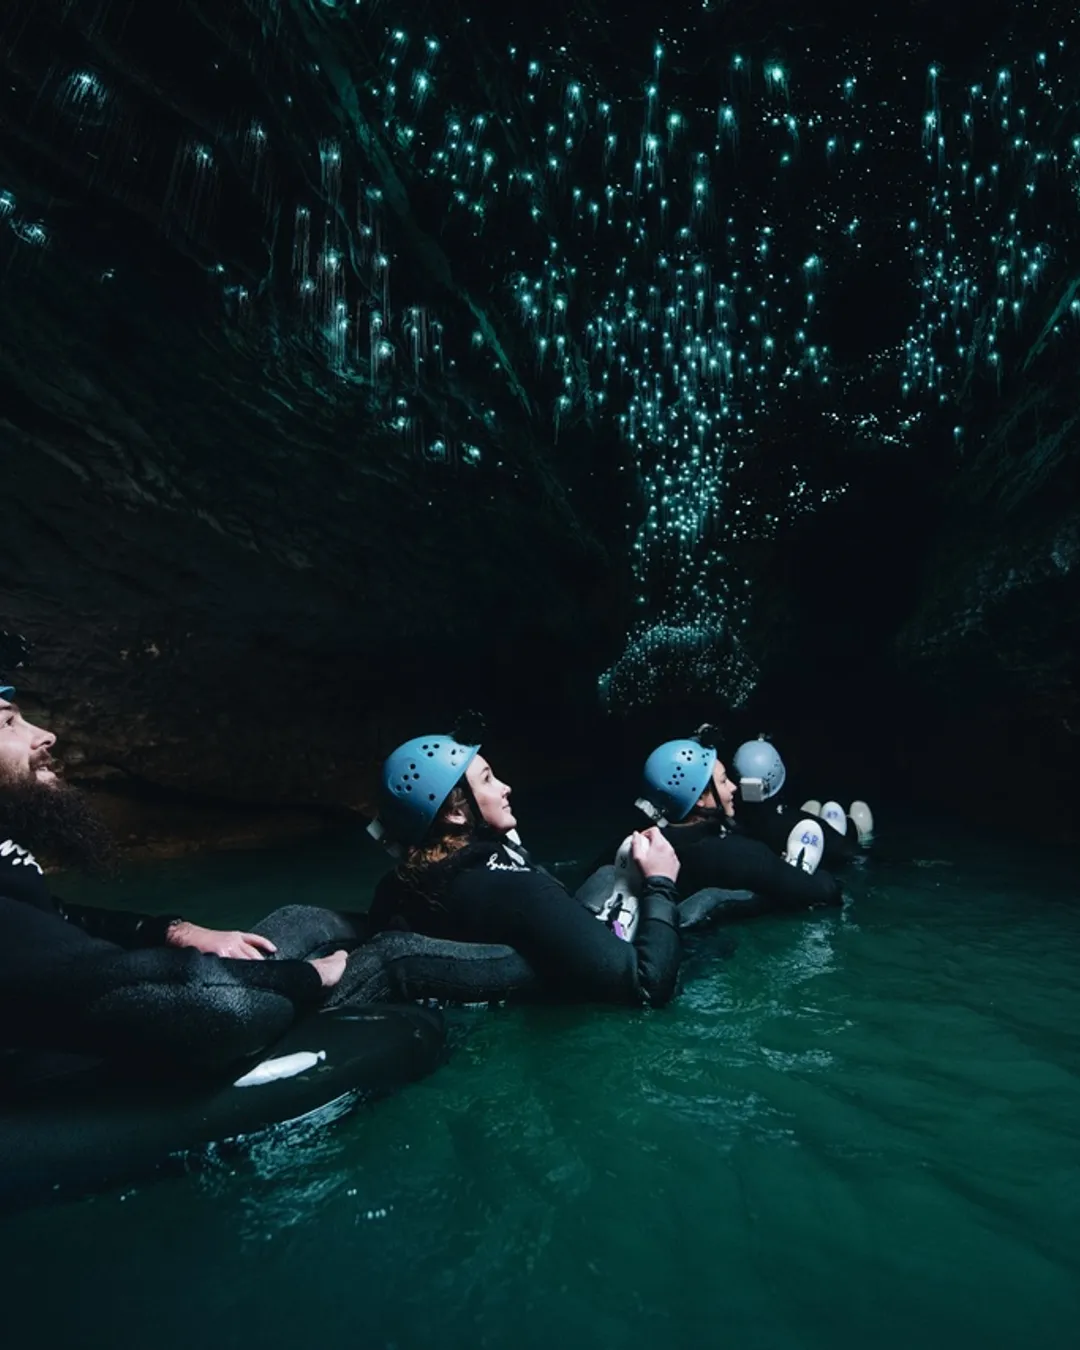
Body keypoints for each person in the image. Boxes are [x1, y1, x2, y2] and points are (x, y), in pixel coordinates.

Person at [0, 681, 351, 1072]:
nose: (45, 735)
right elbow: (107, 979)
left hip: (84, 989)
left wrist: (175, 932)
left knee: (307, 922)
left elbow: (48, 916)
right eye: (7, 723)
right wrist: (306, 977)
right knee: (226, 1010)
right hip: (41, 1048)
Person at [366, 731, 683, 1007]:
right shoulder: (518, 891)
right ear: (455, 813)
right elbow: (647, 985)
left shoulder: (394, 888)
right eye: (488, 779)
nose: (506, 787)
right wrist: (660, 881)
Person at [632, 733, 843, 911]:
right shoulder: (741, 855)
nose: (733, 787)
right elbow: (823, 891)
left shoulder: (636, 846)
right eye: (723, 781)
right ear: (699, 799)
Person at [730, 736, 866, 869]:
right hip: (828, 847)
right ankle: (861, 832)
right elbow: (854, 855)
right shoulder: (794, 823)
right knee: (836, 837)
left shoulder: (730, 824)